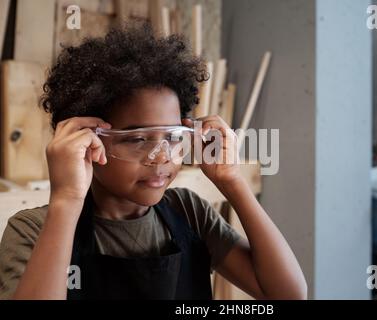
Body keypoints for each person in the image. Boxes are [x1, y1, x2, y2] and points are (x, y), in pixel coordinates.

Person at [0, 23, 307, 300]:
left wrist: (232, 180)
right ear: (86, 139)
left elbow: (288, 293)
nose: (161, 157)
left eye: (173, 137)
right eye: (136, 139)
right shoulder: (34, 229)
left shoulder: (188, 212)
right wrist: (66, 200)